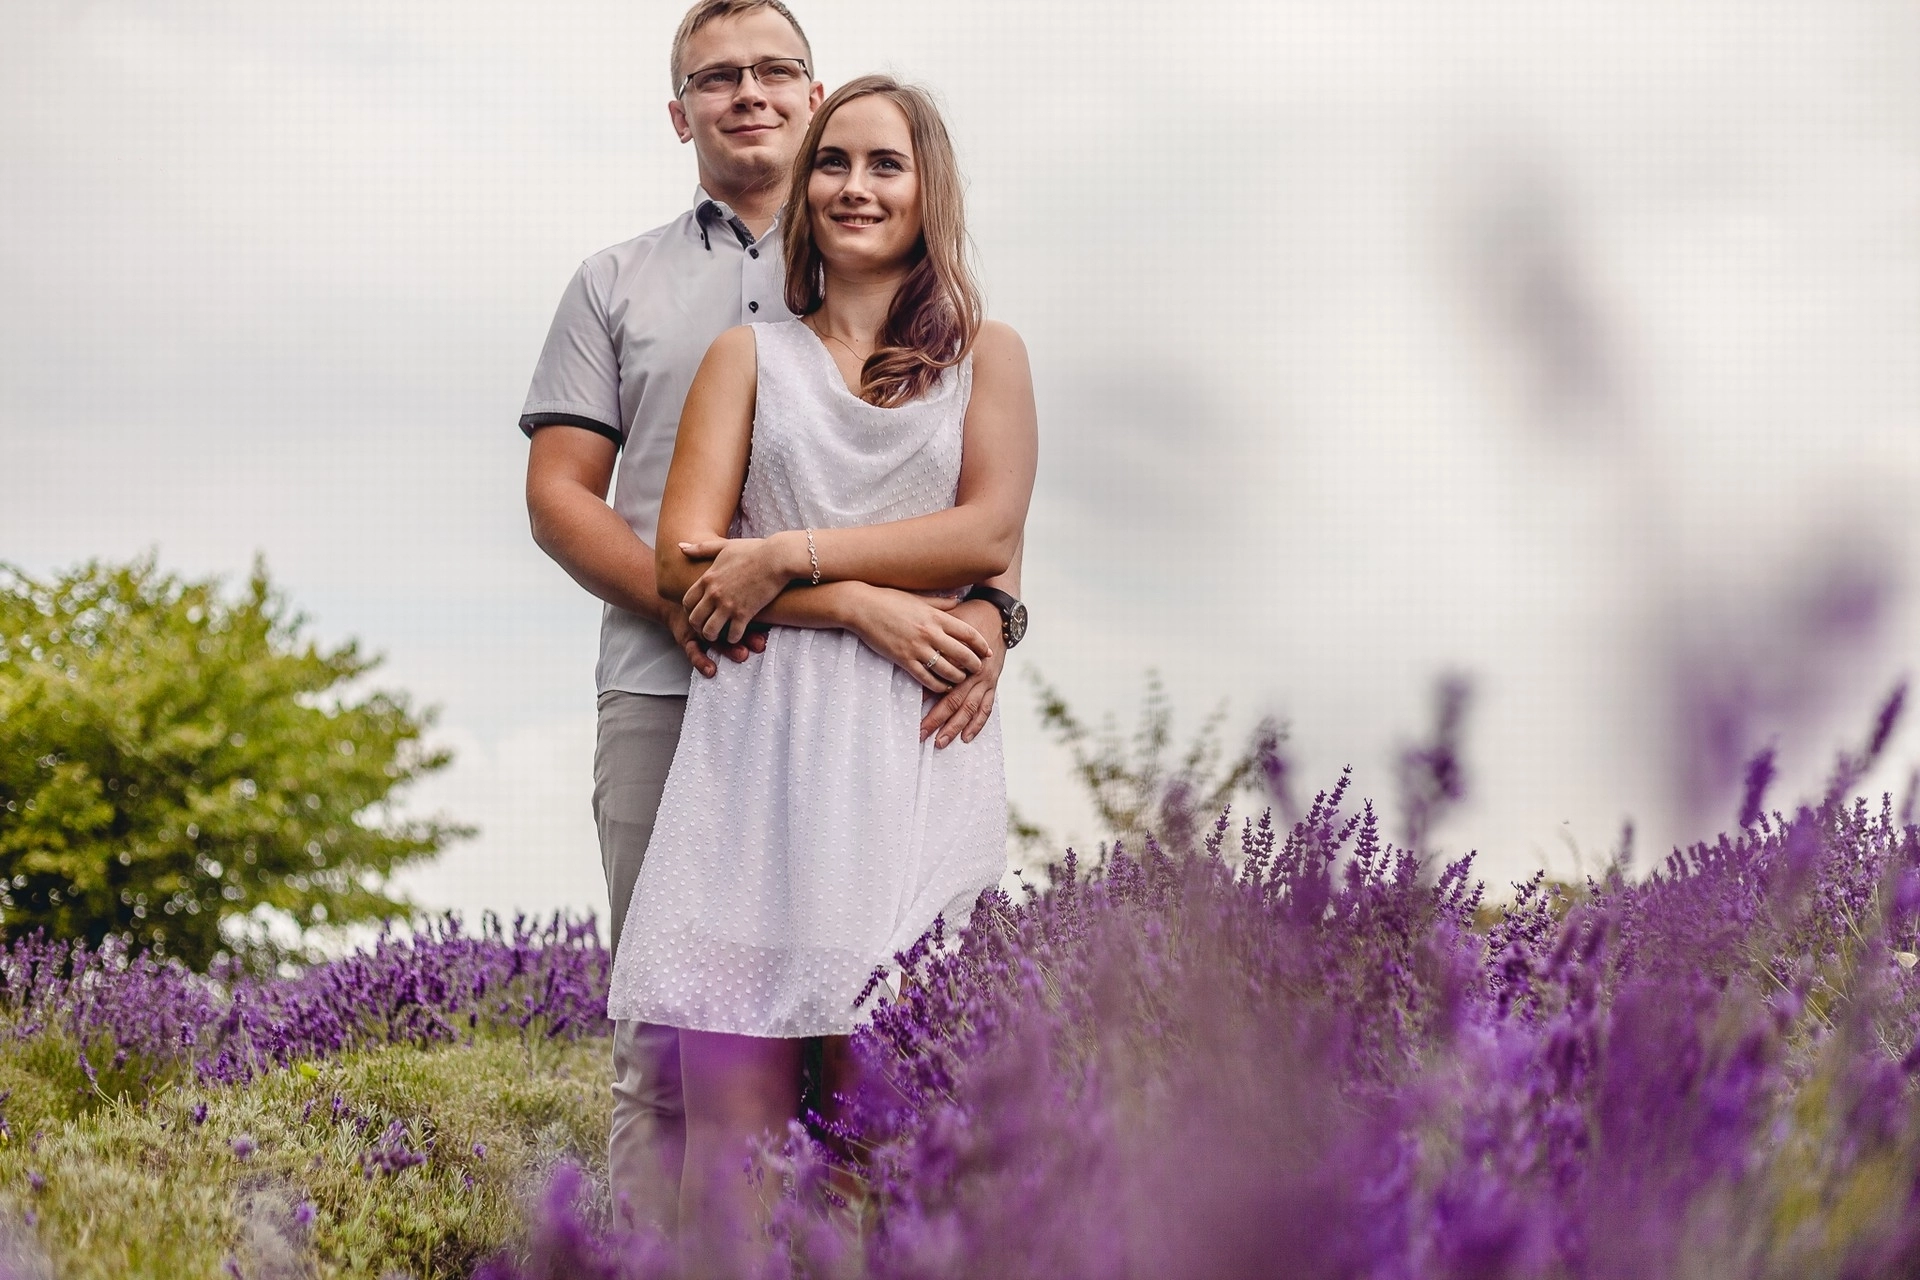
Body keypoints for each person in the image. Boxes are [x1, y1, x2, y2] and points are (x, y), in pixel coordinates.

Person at [517, 0, 1016, 1233]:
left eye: (774, 70)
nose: (748, 92)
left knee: (877, 1057)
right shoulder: (618, 283)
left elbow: (985, 516)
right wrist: (810, 602)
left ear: (812, 90)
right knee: (675, 1050)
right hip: (679, 682)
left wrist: (993, 614)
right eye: (716, 77)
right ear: (678, 111)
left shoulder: (952, 330)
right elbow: (564, 500)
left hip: (884, 722)